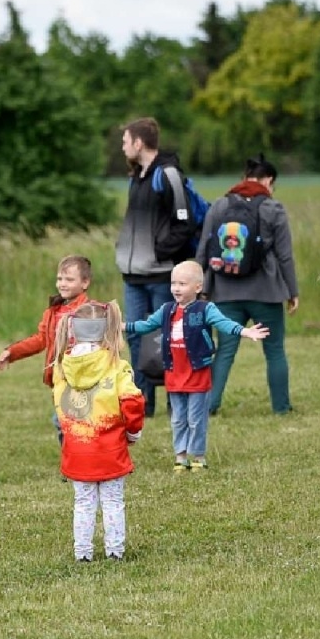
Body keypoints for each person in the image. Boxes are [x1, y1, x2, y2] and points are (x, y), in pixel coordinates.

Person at [125, 260, 267, 471]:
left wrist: (244, 331)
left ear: (198, 287)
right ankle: (180, 456)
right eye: (173, 283)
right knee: (178, 419)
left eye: (182, 283)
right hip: (175, 375)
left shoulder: (205, 309)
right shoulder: (166, 310)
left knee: (196, 419)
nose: (176, 288)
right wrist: (121, 326)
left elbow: (223, 323)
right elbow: (145, 325)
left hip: (197, 374)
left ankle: (198, 456)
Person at [196, 155, 299, 416]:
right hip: (266, 292)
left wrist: (202, 288)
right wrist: (292, 291)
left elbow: (205, 250)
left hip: (225, 290)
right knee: (274, 349)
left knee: (224, 351)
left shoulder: (219, 206)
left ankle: (210, 406)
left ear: (244, 178)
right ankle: (281, 408)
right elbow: (284, 255)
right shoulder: (273, 209)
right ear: (268, 181)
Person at [115, 117, 197, 418]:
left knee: (166, 336)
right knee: (136, 335)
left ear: (139, 142)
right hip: (133, 274)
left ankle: (175, 397)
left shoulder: (168, 174)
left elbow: (184, 222)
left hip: (161, 275)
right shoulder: (137, 176)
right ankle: (142, 401)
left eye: (126, 141)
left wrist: (159, 251)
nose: (123, 147)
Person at [52, 301, 145, 561]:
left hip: (77, 448)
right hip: (110, 448)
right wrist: (133, 432)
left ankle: (83, 553)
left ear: (73, 330)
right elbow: (132, 402)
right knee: (113, 501)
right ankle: (115, 551)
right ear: (108, 329)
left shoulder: (62, 366)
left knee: (83, 502)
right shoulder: (116, 365)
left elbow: (60, 404)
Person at [0, 255, 93, 388]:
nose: (63, 284)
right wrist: (12, 352)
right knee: (61, 408)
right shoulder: (53, 311)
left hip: (84, 380)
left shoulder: (92, 312)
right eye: (60, 279)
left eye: (69, 280)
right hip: (59, 379)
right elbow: (41, 339)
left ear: (85, 283)